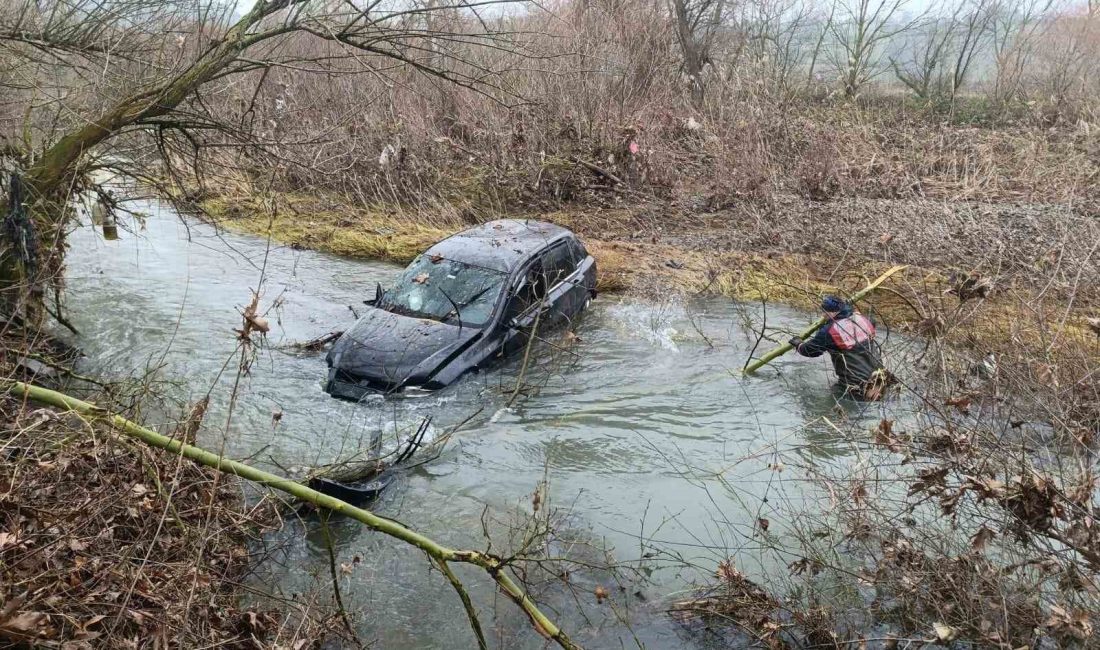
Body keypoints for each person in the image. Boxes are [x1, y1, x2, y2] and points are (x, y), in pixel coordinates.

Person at [788, 296, 889, 400]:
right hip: (880, 378)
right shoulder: (864, 319)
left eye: (824, 312)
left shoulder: (830, 331)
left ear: (831, 313)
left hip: (855, 385)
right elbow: (871, 322)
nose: (823, 315)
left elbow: (810, 351)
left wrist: (799, 344)